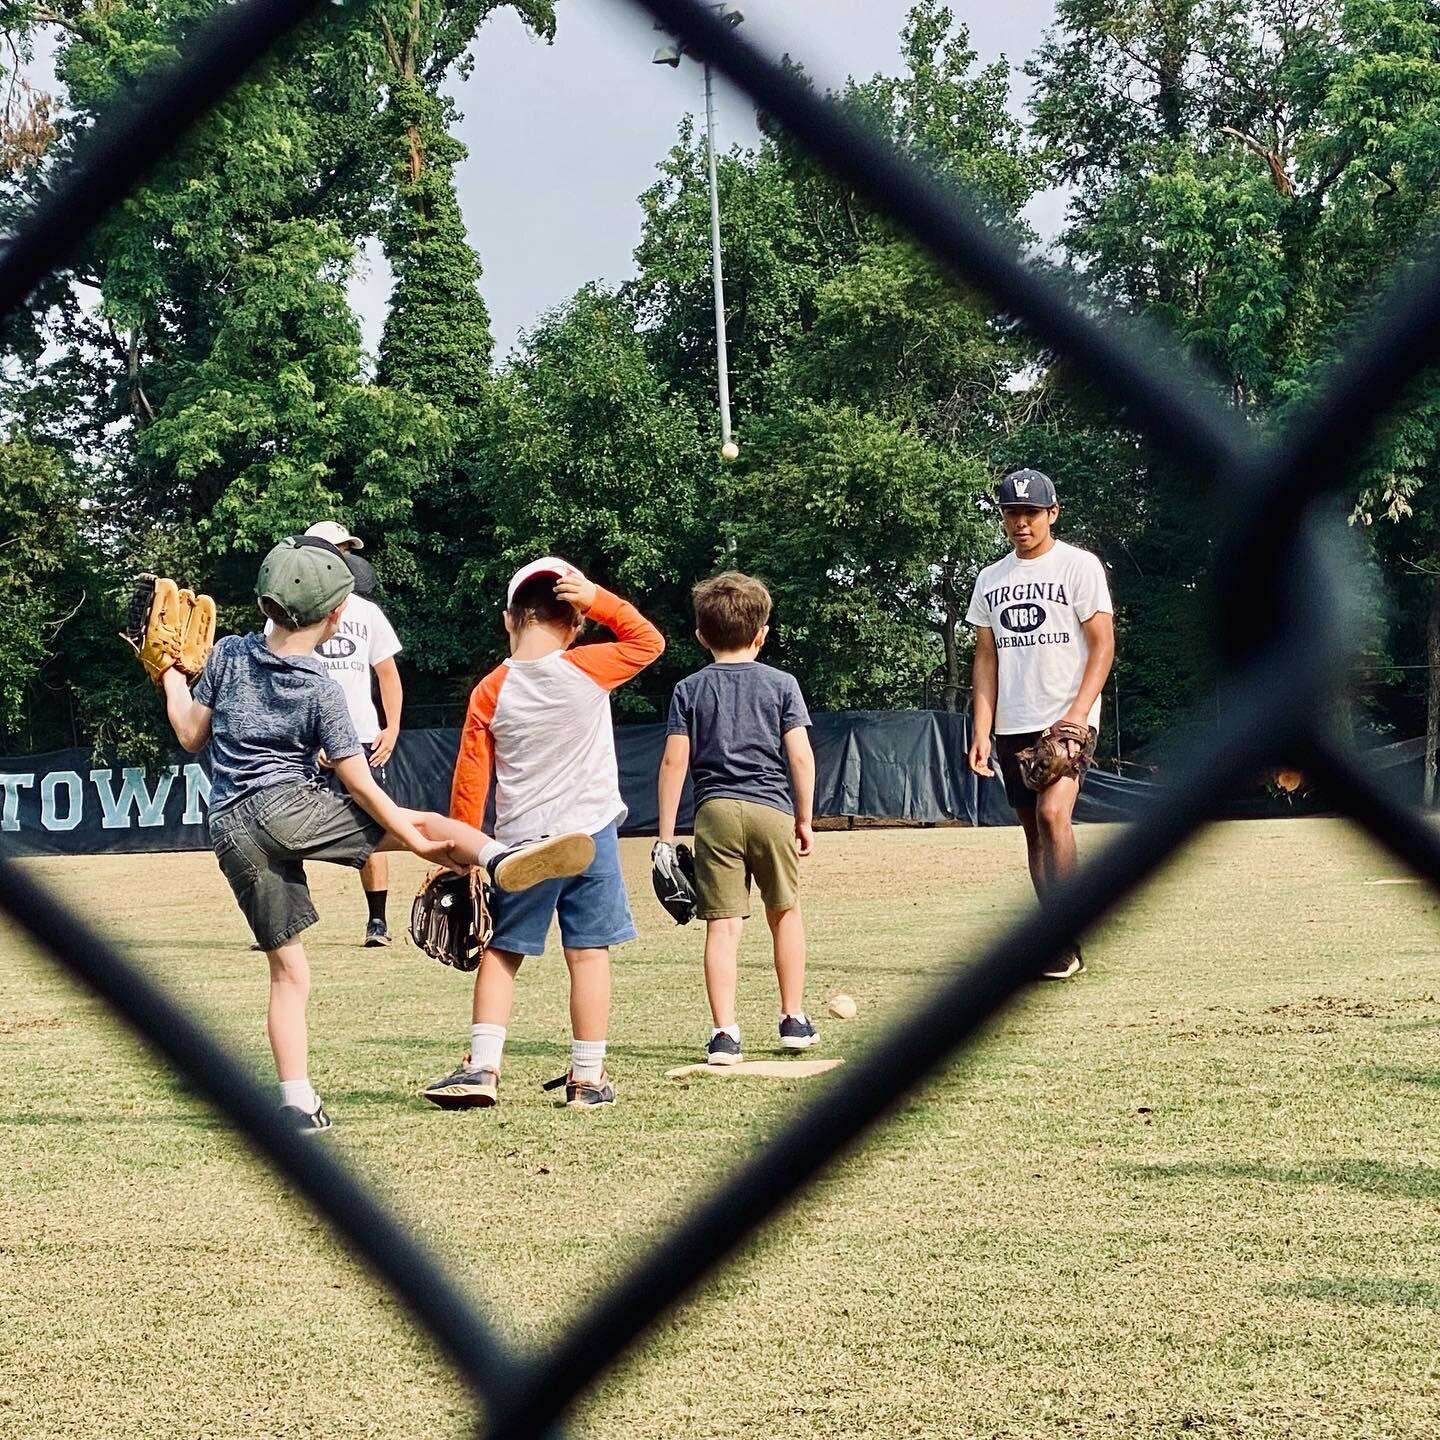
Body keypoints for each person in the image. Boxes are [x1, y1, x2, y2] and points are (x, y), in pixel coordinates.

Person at [164, 536, 595, 1132]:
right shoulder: (321, 685)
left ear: (264, 604)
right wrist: (410, 839)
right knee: (431, 822)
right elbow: (361, 785)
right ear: (339, 615)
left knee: (288, 973)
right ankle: (499, 859)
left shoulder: (231, 654)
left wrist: (167, 673)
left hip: (231, 828)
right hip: (289, 806)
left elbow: (190, 734)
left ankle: (297, 1102)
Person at [422, 558, 664, 1111]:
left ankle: (482, 1066)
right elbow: (648, 641)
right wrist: (599, 598)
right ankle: (587, 1078)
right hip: (590, 833)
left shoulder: (490, 691)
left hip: (521, 846)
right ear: (574, 623)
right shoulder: (591, 665)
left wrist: (461, 855)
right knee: (588, 954)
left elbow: (471, 779)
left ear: (509, 619)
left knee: (502, 953)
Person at [656, 571, 818, 1066]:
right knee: (784, 913)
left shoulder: (689, 689)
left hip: (715, 812)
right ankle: (792, 1019)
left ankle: (724, 1034)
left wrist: (665, 837)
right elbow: (801, 757)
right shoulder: (782, 684)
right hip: (772, 809)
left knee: (722, 927)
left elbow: (673, 763)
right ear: (762, 633)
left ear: (702, 635)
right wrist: (805, 818)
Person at [965, 469, 1115, 979]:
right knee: (1032, 829)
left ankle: (1064, 933)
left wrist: (1078, 713)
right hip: (1012, 722)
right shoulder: (991, 578)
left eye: (1031, 512)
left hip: (1065, 720)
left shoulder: (1078, 566)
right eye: (1012, 513)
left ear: (1052, 513)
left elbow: (1103, 644)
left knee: (1054, 816)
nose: (1021, 522)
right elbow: (985, 661)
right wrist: (981, 729)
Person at [300, 519, 403, 947]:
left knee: (372, 829)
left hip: (360, 737)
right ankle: (283, 922)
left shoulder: (366, 612)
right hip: (304, 741)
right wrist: (311, 738)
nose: (344, 555)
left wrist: (392, 726)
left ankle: (376, 922)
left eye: (346, 549)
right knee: (282, 832)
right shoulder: (292, 611)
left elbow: (387, 674)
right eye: (336, 548)